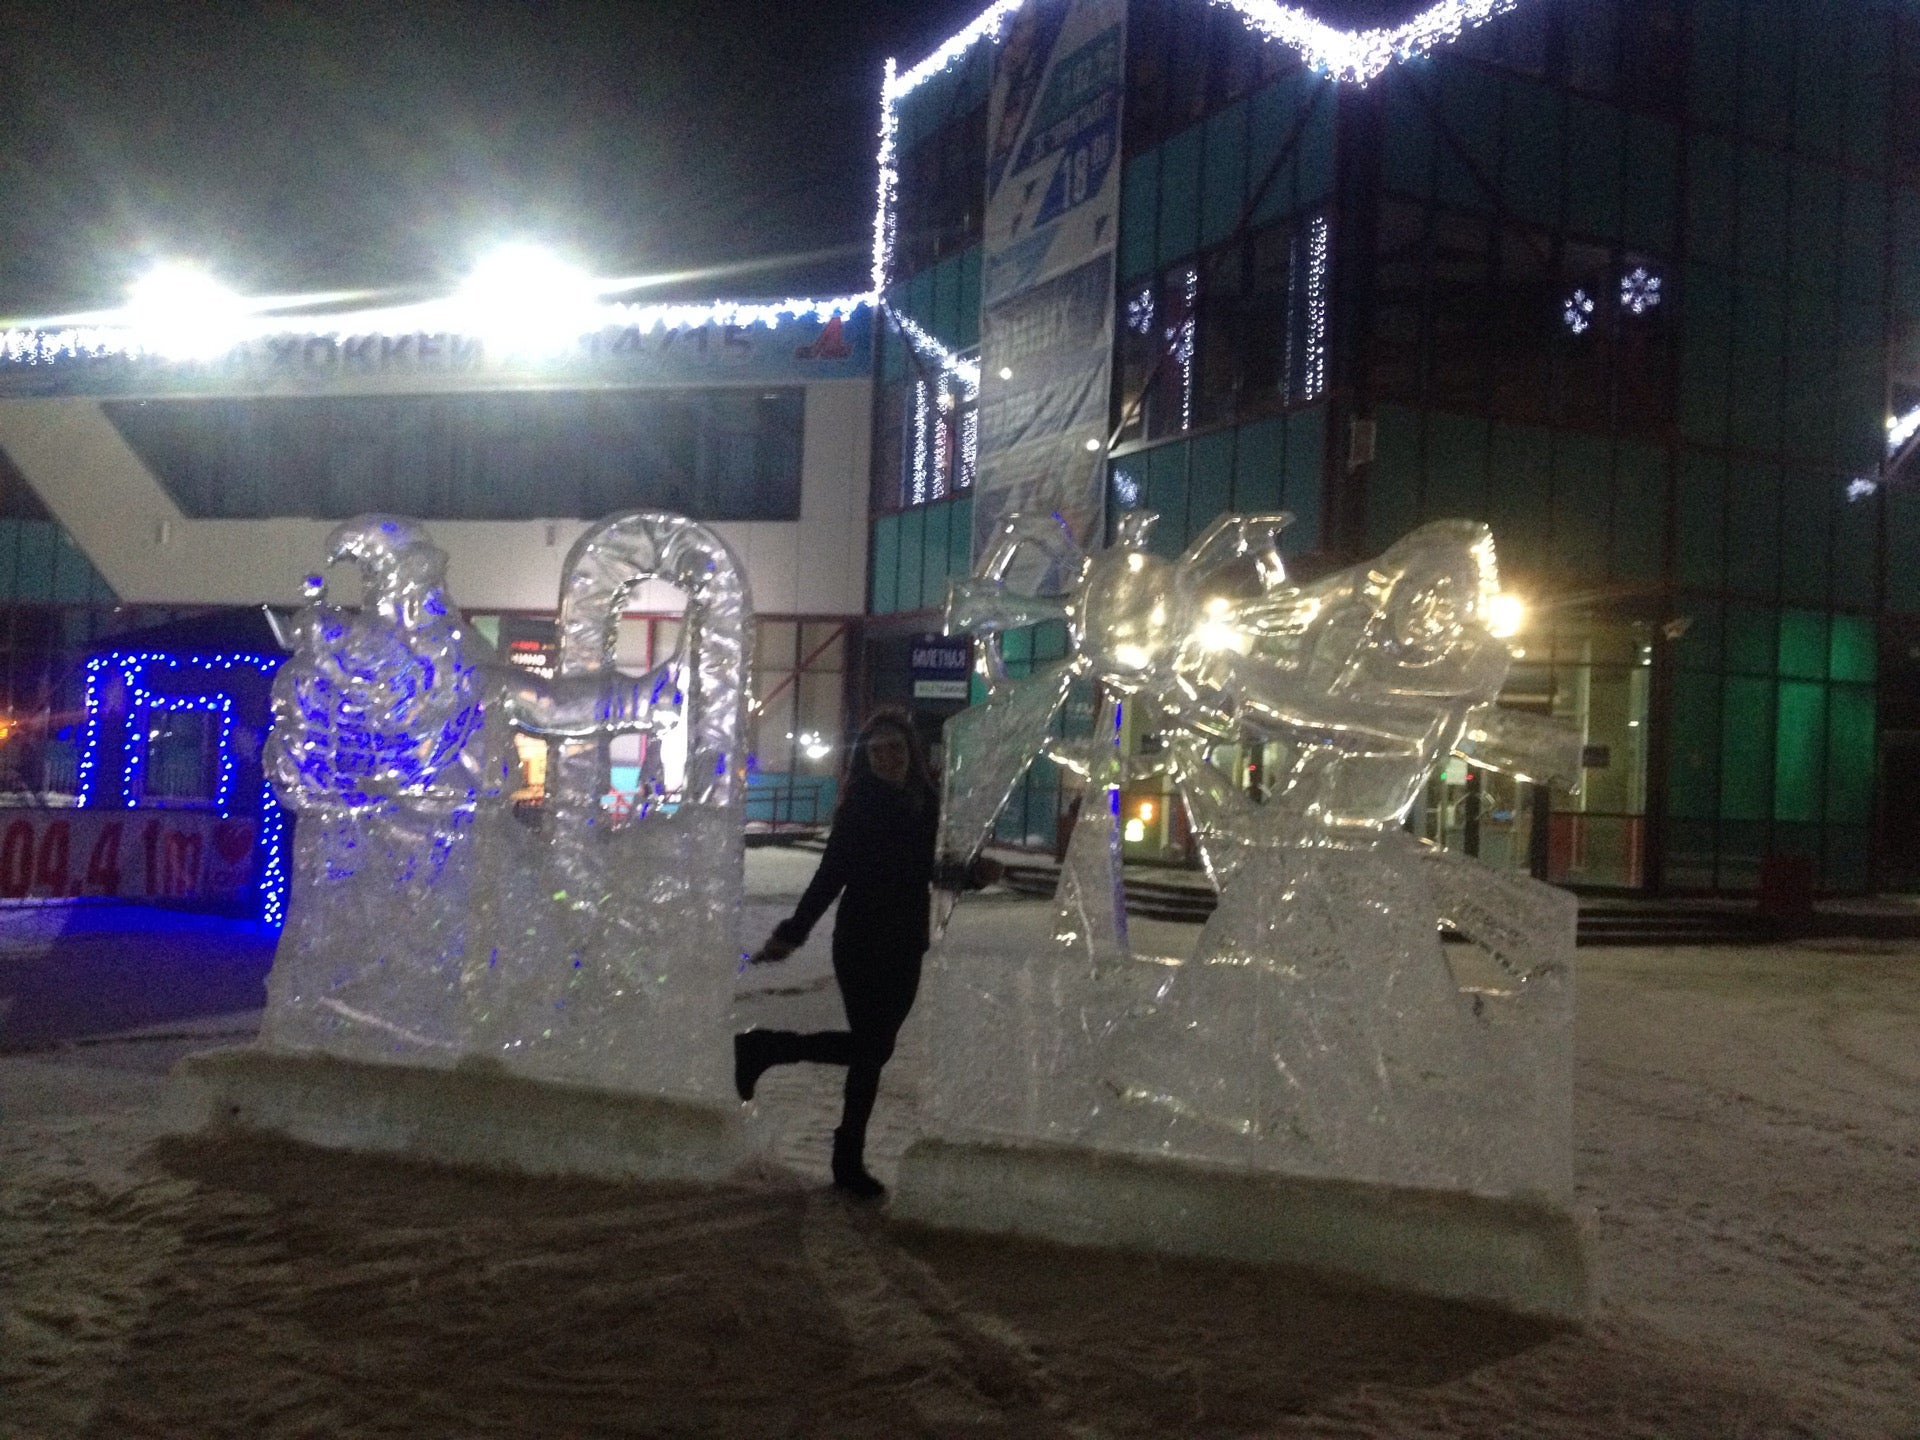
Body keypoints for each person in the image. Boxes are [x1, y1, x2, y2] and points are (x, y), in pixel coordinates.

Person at [734, 709, 994, 1200]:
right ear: (865, 759)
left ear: (912, 752)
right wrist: (794, 931)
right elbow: (830, 876)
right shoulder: (860, 808)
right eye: (876, 752)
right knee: (872, 1048)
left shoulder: (929, 805)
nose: (887, 759)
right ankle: (775, 1063)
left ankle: (778, 1064)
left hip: (906, 942)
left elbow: (934, 872)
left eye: (895, 749)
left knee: (873, 1053)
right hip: (860, 940)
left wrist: (974, 875)